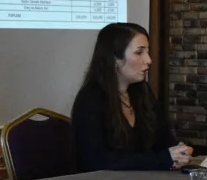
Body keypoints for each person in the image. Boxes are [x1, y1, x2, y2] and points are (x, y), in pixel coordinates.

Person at [71, 22, 192, 172]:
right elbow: (96, 162)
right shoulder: (91, 99)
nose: (148, 60)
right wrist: (162, 158)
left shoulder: (142, 91)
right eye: (139, 52)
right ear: (115, 58)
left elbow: (164, 141)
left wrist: (179, 152)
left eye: (147, 52)